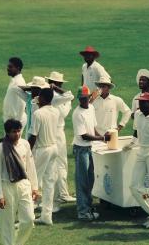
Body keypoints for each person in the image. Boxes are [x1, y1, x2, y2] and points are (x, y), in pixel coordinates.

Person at [0, 119, 39, 245]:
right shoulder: (0, 148)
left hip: (24, 184)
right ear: (7, 132)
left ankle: (19, 244)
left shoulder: (25, 144)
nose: (17, 134)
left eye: (19, 131)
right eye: (14, 131)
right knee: (8, 222)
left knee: (29, 219)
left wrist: (35, 187)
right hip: (7, 186)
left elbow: (30, 166)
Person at [124, 92, 149, 228]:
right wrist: (132, 143)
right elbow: (136, 131)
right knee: (134, 186)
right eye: (139, 102)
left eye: (142, 103)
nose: (140, 105)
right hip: (141, 151)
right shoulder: (137, 114)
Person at [72, 85, 110, 221]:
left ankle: (87, 207)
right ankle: (83, 212)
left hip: (89, 148)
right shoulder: (77, 114)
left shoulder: (91, 108)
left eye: (85, 98)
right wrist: (102, 138)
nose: (83, 101)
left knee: (90, 180)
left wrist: (103, 138)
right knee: (82, 181)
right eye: (81, 99)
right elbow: (84, 136)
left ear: (89, 97)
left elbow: (93, 129)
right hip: (81, 149)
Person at [28, 88, 59, 225]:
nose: (37, 98)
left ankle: (27, 217)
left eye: (39, 96)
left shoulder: (38, 114)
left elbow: (33, 136)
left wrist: (26, 152)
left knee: (32, 182)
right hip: (53, 148)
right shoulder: (56, 111)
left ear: (44, 99)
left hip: (42, 149)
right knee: (49, 183)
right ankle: (47, 216)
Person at [45, 71, 76, 206]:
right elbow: (71, 96)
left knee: (57, 164)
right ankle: (62, 194)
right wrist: (67, 101)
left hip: (54, 131)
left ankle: (60, 193)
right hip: (57, 132)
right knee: (61, 163)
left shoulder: (52, 95)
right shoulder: (56, 96)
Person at [3, 57, 27, 135]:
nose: (8, 68)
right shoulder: (14, 80)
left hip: (15, 121)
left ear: (18, 68)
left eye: (10, 67)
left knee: (12, 145)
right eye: (8, 66)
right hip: (11, 120)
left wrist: (17, 123)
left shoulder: (18, 82)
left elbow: (22, 103)